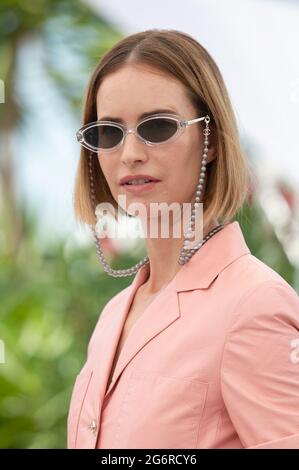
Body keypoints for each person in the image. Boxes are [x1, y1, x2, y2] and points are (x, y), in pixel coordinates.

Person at [67, 29, 299, 449]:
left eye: (157, 127)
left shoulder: (254, 304)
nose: (130, 153)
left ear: (209, 141)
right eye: (109, 132)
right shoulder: (114, 314)